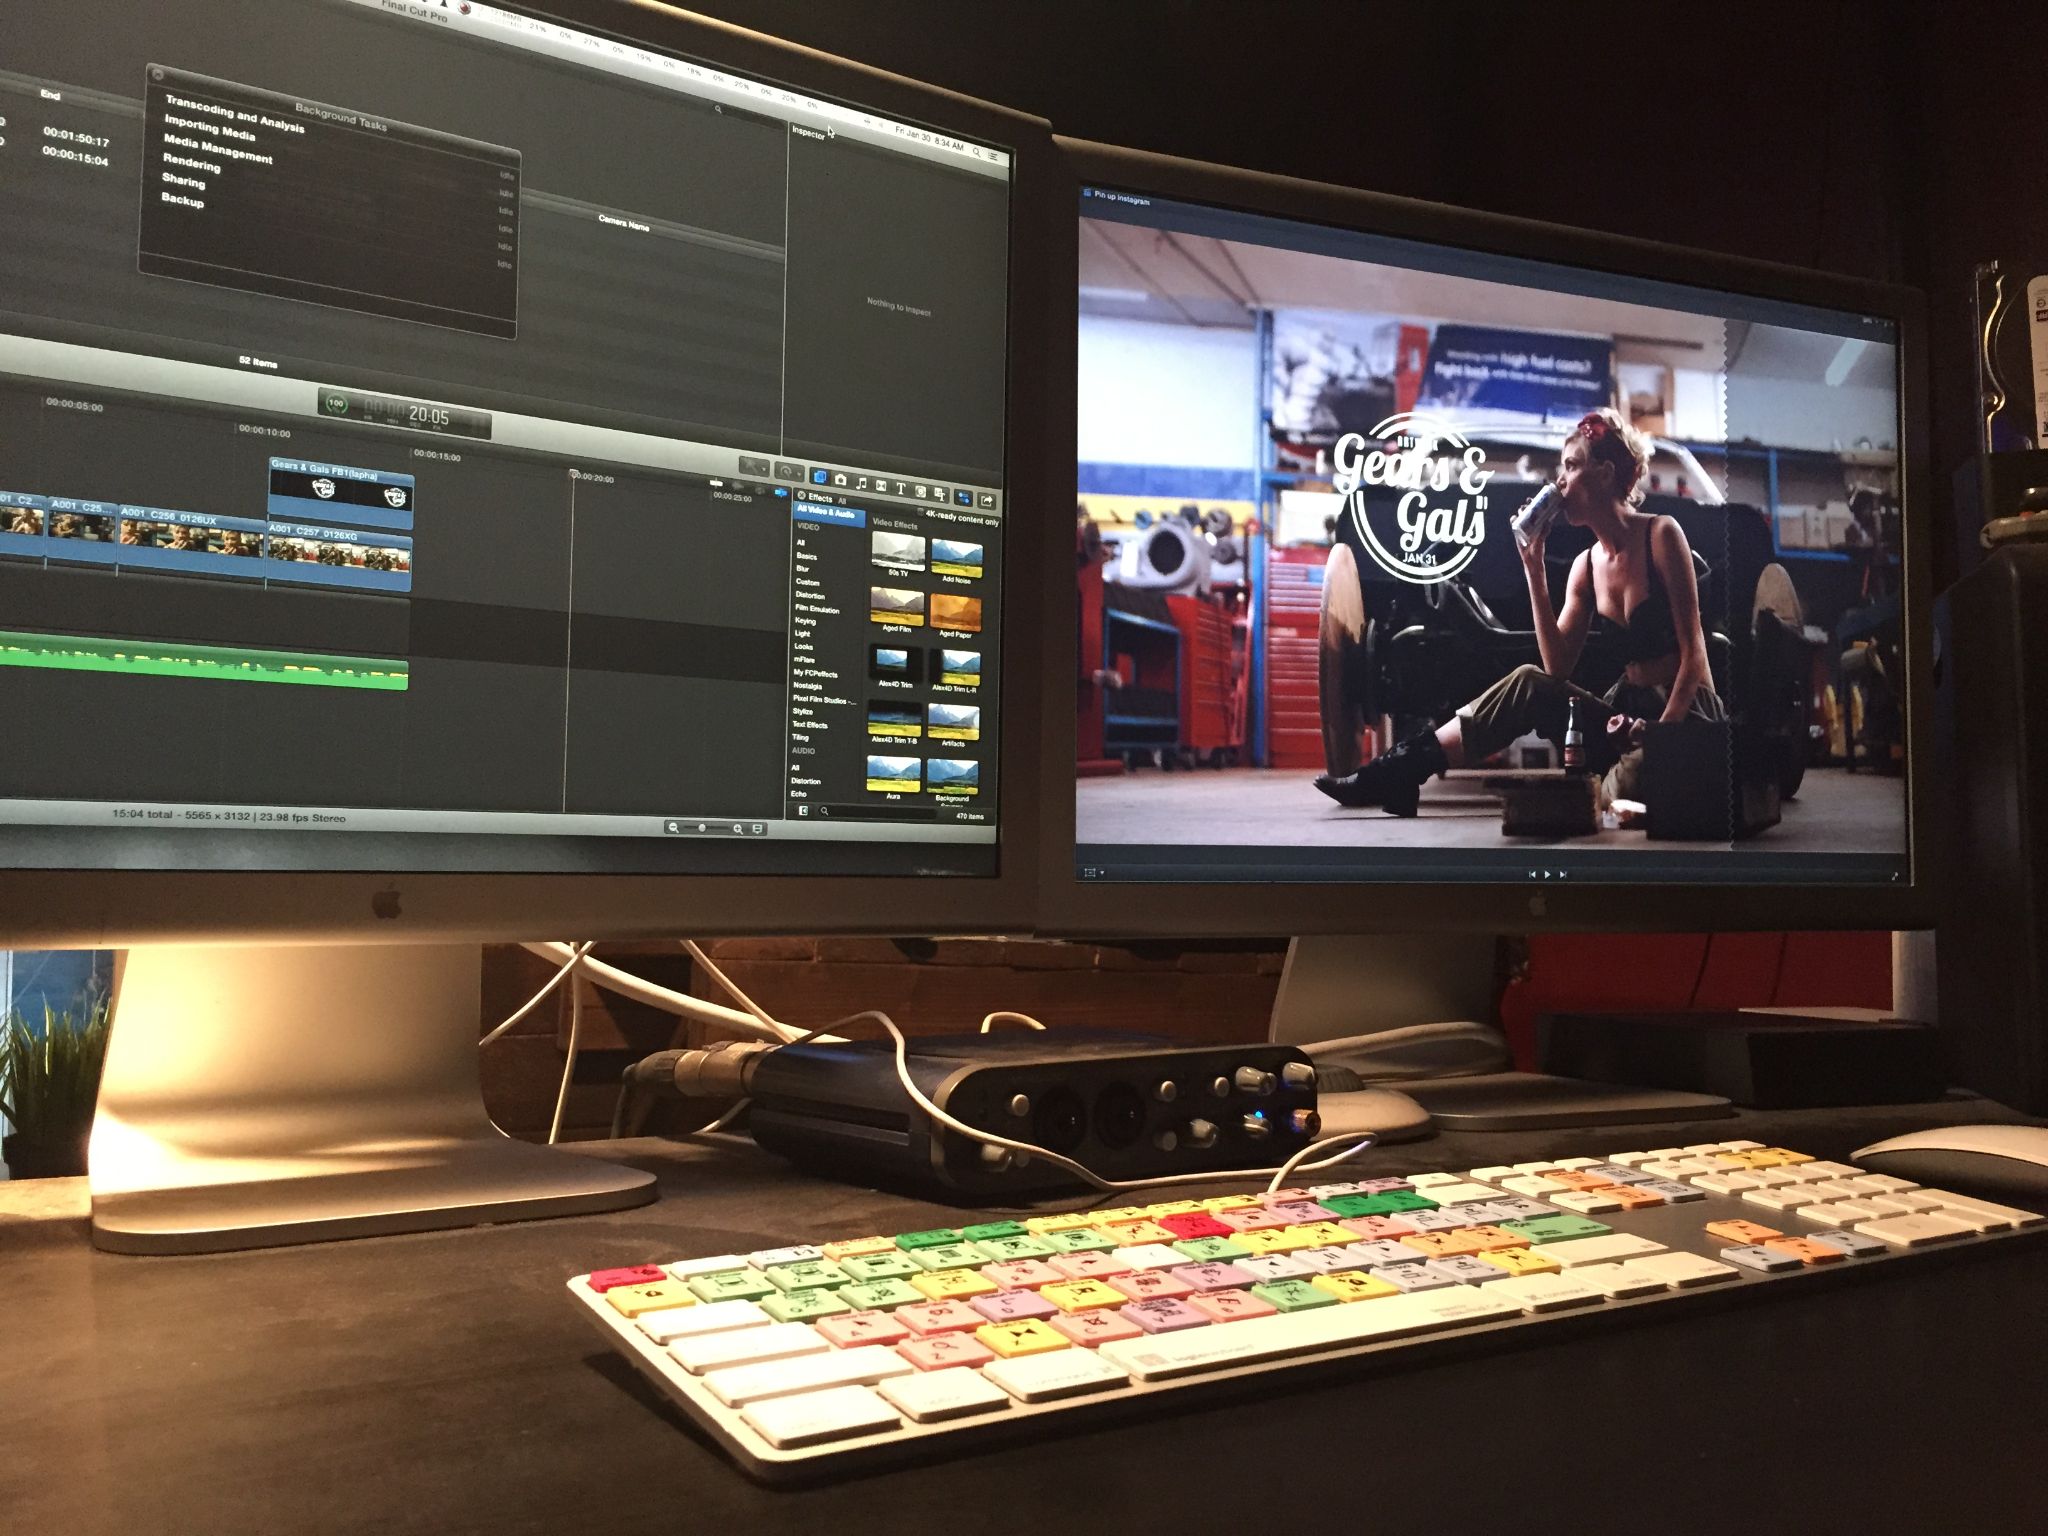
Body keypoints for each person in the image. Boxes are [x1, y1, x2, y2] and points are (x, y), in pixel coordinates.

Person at [1315, 406, 1724, 816]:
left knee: (1619, 794)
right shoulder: (1585, 566)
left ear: (1605, 472)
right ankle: (1398, 772)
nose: (1560, 481)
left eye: (1571, 465)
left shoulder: (1661, 534)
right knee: (1528, 682)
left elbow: (1695, 655)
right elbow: (1556, 667)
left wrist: (1658, 738)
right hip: (1625, 718)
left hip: (1684, 715)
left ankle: (1620, 786)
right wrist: (1534, 569)